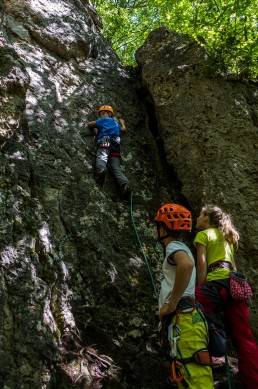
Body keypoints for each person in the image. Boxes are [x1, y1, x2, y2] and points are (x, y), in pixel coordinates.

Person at [194, 204, 258, 388]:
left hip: (217, 281)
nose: (197, 218)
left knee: (188, 306)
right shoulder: (226, 236)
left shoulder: (203, 235)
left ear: (206, 218)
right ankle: (253, 383)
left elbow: (202, 263)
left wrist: (202, 287)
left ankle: (216, 335)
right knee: (245, 339)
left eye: (199, 215)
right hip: (234, 284)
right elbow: (233, 266)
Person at [154, 203, 213, 389]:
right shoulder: (182, 247)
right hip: (187, 320)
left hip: (184, 318)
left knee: (196, 380)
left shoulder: (173, 246)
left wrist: (171, 305)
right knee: (189, 376)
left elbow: (186, 265)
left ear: (162, 228)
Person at [87, 105, 131, 195]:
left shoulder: (104, 120)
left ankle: (102, 169)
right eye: (101, 114)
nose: (102, 116)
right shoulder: (116, 124)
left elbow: (90, 124)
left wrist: (97, 126)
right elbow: (123, 129)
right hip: (116, 145)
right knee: (116, 167)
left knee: (102, 156)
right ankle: (124, 184)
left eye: (103, 113)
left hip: (105, 139)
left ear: (109, 114)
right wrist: (122, 122)